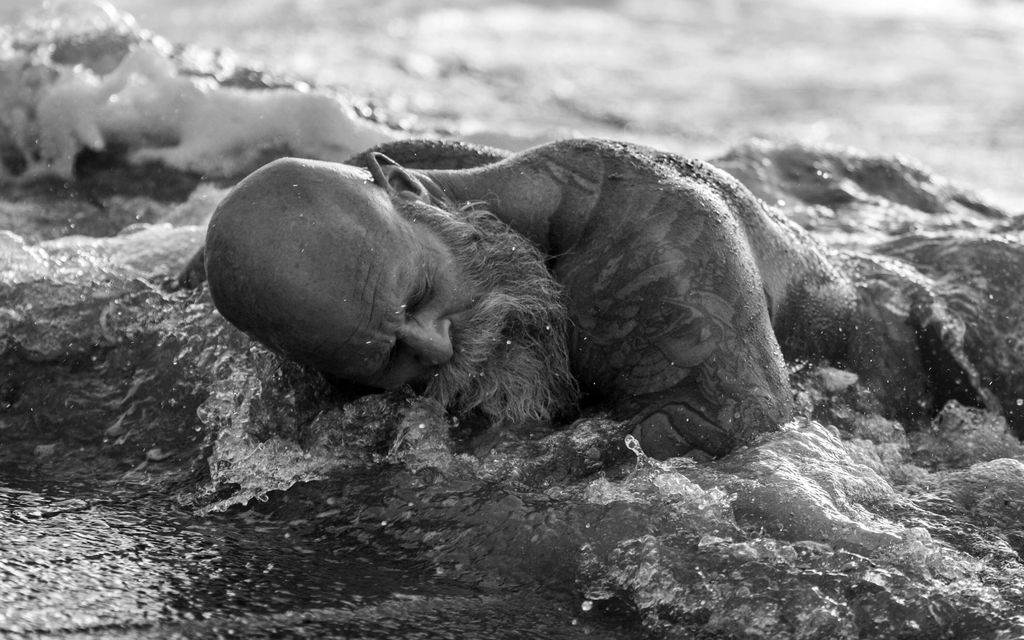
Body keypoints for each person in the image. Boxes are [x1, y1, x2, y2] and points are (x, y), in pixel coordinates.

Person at [187, 138, 984, 459]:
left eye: (423, 298)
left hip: (949, 365)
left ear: (409, 189)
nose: (435, 350)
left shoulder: (657, 258)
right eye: (387, 357)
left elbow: (773, 503)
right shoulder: (337, 240)